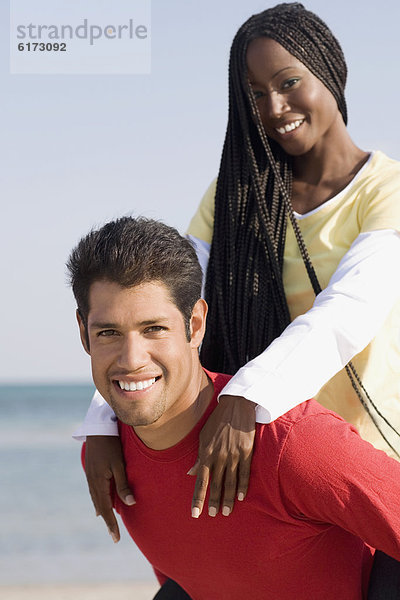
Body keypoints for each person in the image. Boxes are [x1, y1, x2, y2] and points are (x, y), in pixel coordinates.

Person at [73, 1, 400, 540]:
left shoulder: (384, 190)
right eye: (254, 94)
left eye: (289, 82)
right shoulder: (236, 193)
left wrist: (246, 393)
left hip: (363, 457)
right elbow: (158, 303)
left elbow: (348, 311)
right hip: (262, 459)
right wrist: (103, 420)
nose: (274, 107)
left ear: (331, 71)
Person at [68, 215, 400, 600]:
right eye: (108, 332)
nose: (132, 359)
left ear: (194, 325)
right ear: (83, 333)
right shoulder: (109, 459)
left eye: (154, 329)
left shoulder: (294, 445)